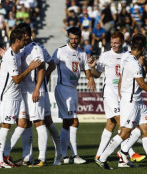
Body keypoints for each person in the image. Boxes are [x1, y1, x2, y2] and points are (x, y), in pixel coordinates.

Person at [95, 33, 147, 170]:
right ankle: (103, 158)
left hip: (137, 100)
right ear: (143, 48)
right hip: (131, 101)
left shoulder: (126, 57)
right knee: (126, 132)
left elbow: (123, 78)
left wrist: (120, 93)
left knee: (146, 129)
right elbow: (142, 84)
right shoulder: (134, 63)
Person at [0, 23, 62, 166]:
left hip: (33, 91)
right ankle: (26, 157)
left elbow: (42, 67)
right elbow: (13, 70)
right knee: (25, 124)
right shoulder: (20, 50)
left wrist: (39, 86)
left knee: (40, 122)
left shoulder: (35, 48)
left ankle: (42, 158)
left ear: (25, 35)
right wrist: (4, 58)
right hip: (21, 90)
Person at [88, 31, 146, 168]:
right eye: (112, 43)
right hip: (110, 93)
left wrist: (144, 65)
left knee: (111, 124)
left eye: (116, 43)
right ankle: (128, 153)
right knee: (122, 122)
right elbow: (97, 74)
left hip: (122, 93)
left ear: (122, 43)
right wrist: (93, 68)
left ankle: (99, 155)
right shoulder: (106, 55)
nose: (113, 45)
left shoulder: (128, 56)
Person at [0, 29, 42, 168]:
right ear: (17, 41)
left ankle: (6, 154)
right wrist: (30, 68)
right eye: (22, 40)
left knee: (23, 124)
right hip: (8, 96)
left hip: (17, 94)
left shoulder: (15, 54)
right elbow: (16, 79)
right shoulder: (10, 56)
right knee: (6, 126)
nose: (24, 42)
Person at [52, 27, 95, 164]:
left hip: (73, 89)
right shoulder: (60, 51)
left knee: (66, 123)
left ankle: (62, 155)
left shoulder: (82, 53)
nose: (73, 41)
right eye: (71, 38)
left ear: (80, 38)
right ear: (68, 38)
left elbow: (86, 70)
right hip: (63, 89)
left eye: (76, 38)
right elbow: (50, 67)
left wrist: (90, 78)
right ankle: (74, 155)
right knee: (74, 122)